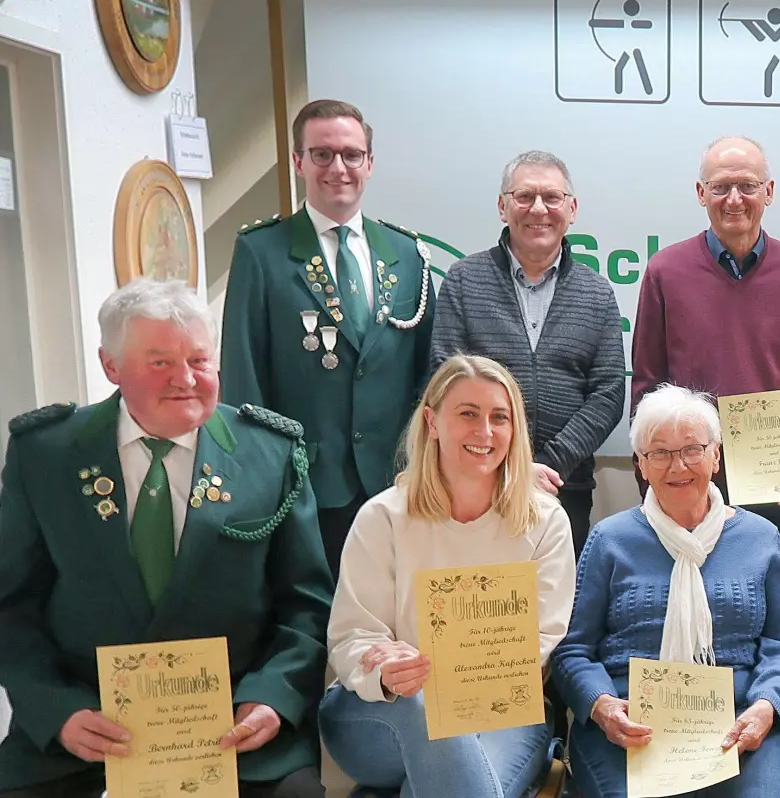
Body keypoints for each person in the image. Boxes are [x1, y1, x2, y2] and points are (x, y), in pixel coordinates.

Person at [0, 279, 331, 798]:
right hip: (85, 735)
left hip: (233, 732)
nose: (185, 379)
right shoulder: (45, 454)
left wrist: (273, 697)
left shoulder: (270, 454)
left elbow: (307, 604)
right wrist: (57, 711)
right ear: (111, 366)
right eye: (159, 363)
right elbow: (11, 605)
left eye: (199, 360)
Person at [320, 354, 575, 797]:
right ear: (432, 422)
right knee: (422, 708)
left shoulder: (546, 522)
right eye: (468, 414)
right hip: (382, 713)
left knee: (452, 778)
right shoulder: (382, 517)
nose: (485, 432)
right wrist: (387, 671)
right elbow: (352, 637)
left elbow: (540, 639)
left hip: (500, 712)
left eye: (500, 417)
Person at [551, 384, 780, 797]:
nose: (677, 466)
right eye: (659, 453)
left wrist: (766, 705)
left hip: (740, 718)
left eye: (691, 449)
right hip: (632, 723)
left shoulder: (761, 537)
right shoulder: (610, 540)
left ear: (716, 455)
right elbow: (573, 648)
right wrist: (602, 705)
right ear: (641, 466)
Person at [221, 98, 436, 577]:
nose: (338, 168)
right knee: (319, 624)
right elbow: (243, 378)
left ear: (370, 163)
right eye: (322, 154)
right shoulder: (262, 251)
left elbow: (429, 374)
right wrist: (260, 479)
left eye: (351, 155)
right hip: (306, 484)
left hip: (396, 481)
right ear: (298, 161)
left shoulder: (406, 253)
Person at [630, 135, 780, 536]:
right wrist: (653, 479)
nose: (734, 199)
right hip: (689, 486)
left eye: (747, 186)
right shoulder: (665, 272)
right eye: (720, 187)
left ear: (769, 192)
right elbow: (645, 388)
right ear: (700, 193)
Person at [430, 150, 626, 555]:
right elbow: (444, 382)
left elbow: (607, 395)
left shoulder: (597, 293)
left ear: (572, 210)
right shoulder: (464, 281)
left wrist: (549, 464)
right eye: (524, 197)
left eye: (552, 198)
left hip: (562, 487)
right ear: (503, 207)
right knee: (480, 605)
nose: (539, 209)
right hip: (475, 484)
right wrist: (509, 469)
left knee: (555, 608)